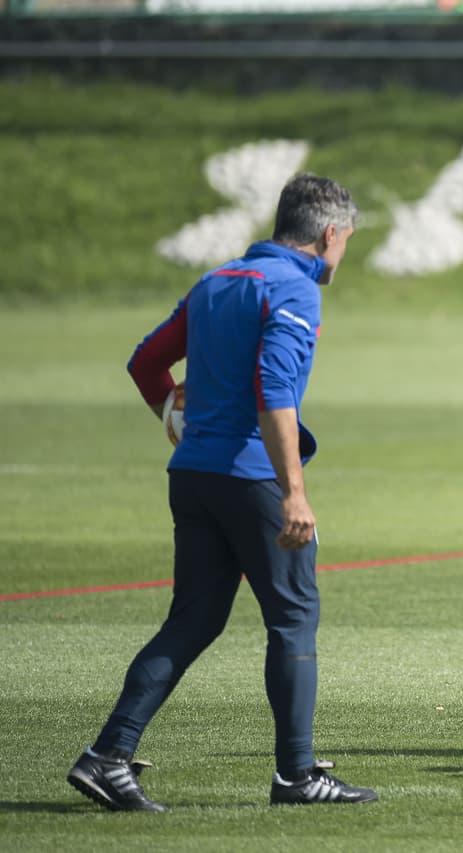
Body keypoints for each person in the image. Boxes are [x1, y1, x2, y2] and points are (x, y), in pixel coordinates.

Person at [67, 174, 377, 810]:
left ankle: (107, 757)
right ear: (330, 234)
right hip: (251, 478)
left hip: (195, 477)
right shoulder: (295, 289)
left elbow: (146, 363)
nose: (343, 253)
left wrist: (174, 420)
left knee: (195, 619)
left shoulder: (219, 280)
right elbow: (275, 392)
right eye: (346, 241)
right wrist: (295, 492)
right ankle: (296, 775)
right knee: (293, 618)